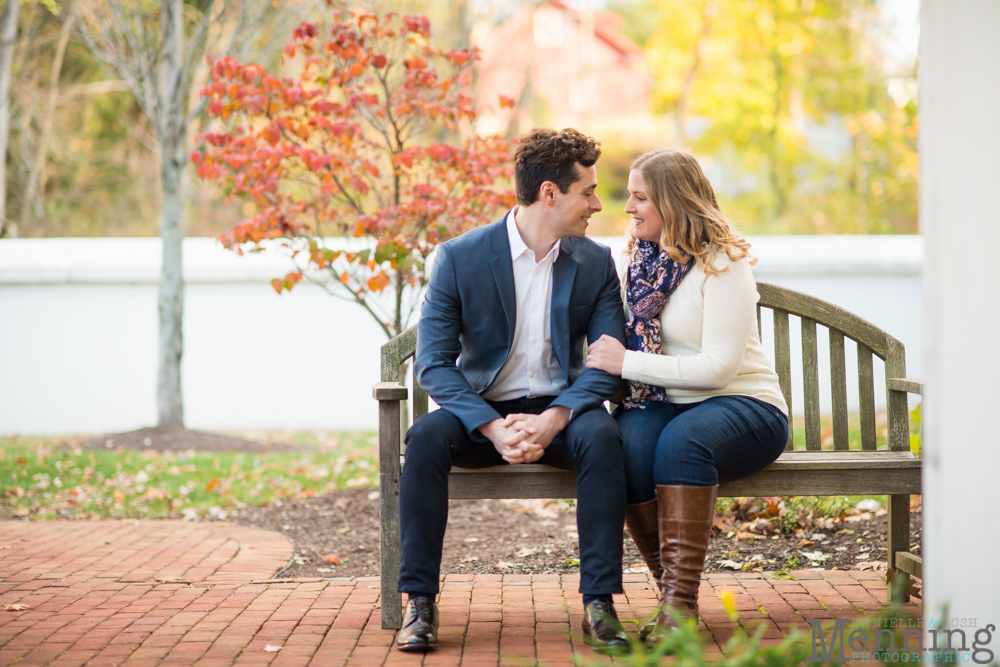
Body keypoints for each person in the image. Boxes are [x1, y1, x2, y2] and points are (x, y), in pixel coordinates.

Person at [395, 128, 630, 653]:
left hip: (561, 414)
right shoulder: (460, 257)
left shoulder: (594, 262)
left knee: (604, 437)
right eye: (587, 191)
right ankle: (419, 603)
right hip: (481, 415)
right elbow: (433, 362)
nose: (596, 203)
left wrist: (555, 418)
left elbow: (606, 364)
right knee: (426, 438)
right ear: (550, 193)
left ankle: (600, 603)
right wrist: (490, 425)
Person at [585, 148, 789, 645]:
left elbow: (718, 370)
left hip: (745, 406)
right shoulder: (636, 261)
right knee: (626, 447)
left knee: (682, 442)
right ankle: (672, 595)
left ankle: (678, 611)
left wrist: (626, 363)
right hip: (665, 402)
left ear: (673, 202)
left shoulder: (723, 264)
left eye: (640, 198)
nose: (629, 209)